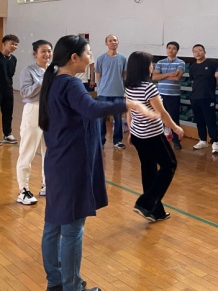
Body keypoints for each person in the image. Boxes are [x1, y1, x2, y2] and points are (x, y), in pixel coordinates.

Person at [39, 35, 157, 291]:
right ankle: (72, 287)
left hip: (58, 162)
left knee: (53, 225)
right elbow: (92, 109)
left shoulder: (54, 81)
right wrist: (130, 103)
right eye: (88, 53)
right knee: (72, 229)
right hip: (72, 165)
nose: (90, 57)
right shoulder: (71, 83)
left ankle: (56, 282)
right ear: (74, 57)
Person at [125, 51, 184, 222]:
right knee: (169, 164)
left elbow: (129, 111)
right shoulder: (148, 87)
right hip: (152, 135)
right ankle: (145, 202)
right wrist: (176, 128)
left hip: (138, 135)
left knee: (148, 169)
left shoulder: (129, 86)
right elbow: (162, 113)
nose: (152, 66)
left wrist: (131, 131)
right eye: (150, 64)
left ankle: (155, 212)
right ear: (144, 67)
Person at [16, 39, 52, 205]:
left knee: (49, 151)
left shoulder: (54, 70)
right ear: (35, 53)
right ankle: (23, 190)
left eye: (49, 51)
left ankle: (47, 184)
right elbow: (25, 93)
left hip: (51, 112)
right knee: (27, 151)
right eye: (43, 51)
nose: (47, 54)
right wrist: (43, 81)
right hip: (34, 110)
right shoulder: (28, 71)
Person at [95, 34, 127, 149]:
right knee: (101, 119)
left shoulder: (123, 58)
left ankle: (117, 141)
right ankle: (101, 141)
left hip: (118, 93)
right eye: (110, 41)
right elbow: (98, 76)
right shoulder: (101, 59)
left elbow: (124, 75)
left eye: (115, 40)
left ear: (118, 42)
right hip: (103, 94)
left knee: (118, 118)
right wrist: (104, 86)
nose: (113, 42)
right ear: (106, 43)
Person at [152, 41, 185, 150]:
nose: (171, 50)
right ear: (166, 49)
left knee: (174, 118)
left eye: (174, 48)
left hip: (173, 95)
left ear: (177, 51)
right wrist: (169, 74)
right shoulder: (160, 62)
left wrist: (162, 75)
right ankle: (160, 140)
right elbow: (154, 77)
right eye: (169, 48)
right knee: (159, 118)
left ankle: (176, 141)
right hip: (160, 95)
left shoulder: (181, 63)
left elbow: (177, 78)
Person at [189, 44, 218, 154]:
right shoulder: (192, 67)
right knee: (199, 120)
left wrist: (211, 87)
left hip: (208, 97)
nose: (197, 53)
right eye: (195, 51)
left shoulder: (212, 64)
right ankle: (203, 140)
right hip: (195, 97)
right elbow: (193, 81)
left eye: (200, 50)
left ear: (205, 52)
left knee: (210, 120)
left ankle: (215, 142)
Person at [0, 34, 19, 144]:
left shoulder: (14, 59)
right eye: (12, 44)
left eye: (16, 45)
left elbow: (11, 73)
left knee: (8, 112)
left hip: (8, 89)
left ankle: (7, 134)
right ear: (4, 43)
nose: (14, 46)